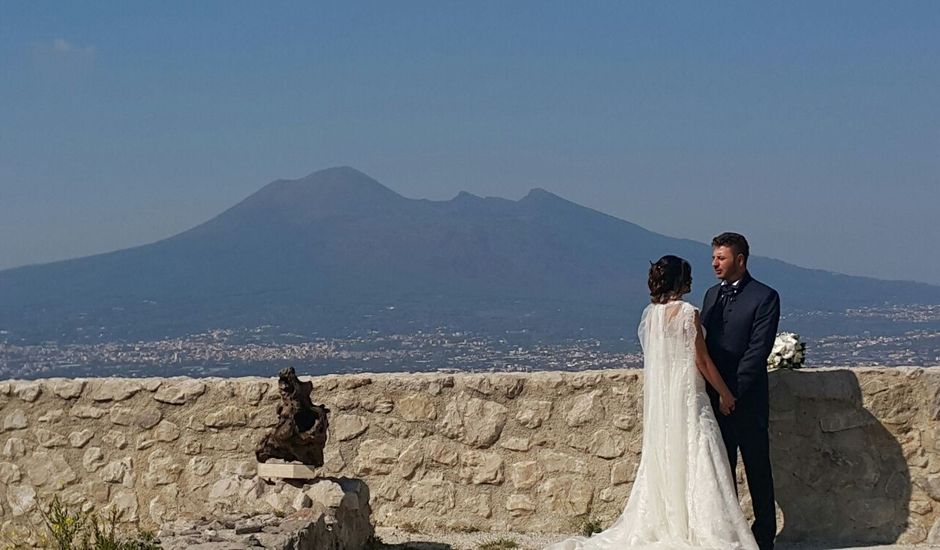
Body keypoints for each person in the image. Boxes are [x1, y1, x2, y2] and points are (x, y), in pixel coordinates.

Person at [545, 255, 757, 550]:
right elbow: (702, 360)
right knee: (700, 458)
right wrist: (724, 392)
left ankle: (672, 522)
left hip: (666, 404)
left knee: (672, 459)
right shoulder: (686, 312)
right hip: (689, 398)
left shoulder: (651, 314)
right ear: (680, 280)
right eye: (688, 276)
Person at [702, 232, 780, 550]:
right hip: (714, 397)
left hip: (747, 400)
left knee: (757, 468)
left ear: (740, 260)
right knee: (723, 471)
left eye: (721, 258)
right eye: (713, 258)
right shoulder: (709, 295)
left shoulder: (765, 296)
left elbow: (757, 350)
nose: (715, 264)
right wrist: (717, 392)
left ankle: (764, 537)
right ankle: (733, 535)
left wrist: (732, 393)